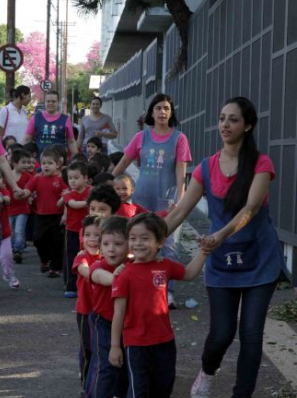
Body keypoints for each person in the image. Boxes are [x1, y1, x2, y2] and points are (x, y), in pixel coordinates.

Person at [164, 96, 285, 398]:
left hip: (260, 260)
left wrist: (220, 234)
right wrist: (147, 238)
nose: (225, 125)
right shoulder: (206, 167)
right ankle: (207, 373)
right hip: (222, 264)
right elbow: (179, 212)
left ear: (248, 126)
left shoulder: (261, 163)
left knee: (251, 334)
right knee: (221, 334)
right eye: (221, 118)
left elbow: (252, 208)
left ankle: (241, 394)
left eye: (233, 119)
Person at [109, 213, 208, 397]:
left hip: (164, 342)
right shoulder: (123, 275)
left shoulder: (165, 266)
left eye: (145, 238)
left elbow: (188, 273)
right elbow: (118, 313)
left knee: (163, 386)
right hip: (136, 344)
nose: (138, 243)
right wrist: (115, 346)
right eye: (133, 238)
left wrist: (204, 252)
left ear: (160, 242)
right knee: (139, 390)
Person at [112, 93, 192, 308]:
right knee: (139, 244)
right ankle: (138, 286)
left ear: (171, 112)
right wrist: (108, 183)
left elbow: (180, 171)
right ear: (151, 112)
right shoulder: (141, 137)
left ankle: (168, 293)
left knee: (169, 247)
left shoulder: (179, 138)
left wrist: (180, 200)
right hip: (142, 199)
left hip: (169, 202)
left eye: (166, 108)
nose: (162, 112)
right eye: (158, 108)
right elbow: (124, 161)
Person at [85, 216, 129, 398]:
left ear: (130, 245)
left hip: (128, 324)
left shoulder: (134, 266)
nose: (111, 249)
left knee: (125, 366)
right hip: (102, 322)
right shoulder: (98, 265)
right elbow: (99, 276)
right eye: (106, 244)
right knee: (105, 365)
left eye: (118, 244)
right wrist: (118, 278)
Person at [22, 147, 68, 277]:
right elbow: (27, 190)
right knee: (38, 239)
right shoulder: (37, 178)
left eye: (50, 163)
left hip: (57, 216)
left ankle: (55, 268)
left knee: (56, 242)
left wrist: (65, 213)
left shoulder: (60, 180)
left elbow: (67, 194)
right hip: (41, 215)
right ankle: (44, 260)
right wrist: (21, 193)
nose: (46, 166)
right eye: (44, 163)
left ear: (57, 165)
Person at [72, 214, 102, 394]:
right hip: (86, 311)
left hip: (105, 312)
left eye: (97, 235)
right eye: (87, 235)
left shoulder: (110, 257)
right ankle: (86, 384)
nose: (92, 240)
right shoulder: (81, 256)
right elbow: (84, 270)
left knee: (103, 348)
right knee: (88, 349)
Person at [57, 161, 90, 298]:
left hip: (89, 231)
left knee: (88, 256)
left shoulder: (91, 191)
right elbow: (73, 204)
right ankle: (70, 285)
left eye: (76, 178)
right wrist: (89, 202)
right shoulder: (68, 194)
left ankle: (88, 283)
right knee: (70, 256)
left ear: (85, 178)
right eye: (70, 178)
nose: (73, 181)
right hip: (71, 230)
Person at [22, 91, 78, 158]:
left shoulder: (65, 119)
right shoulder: (35, 118)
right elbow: (27, 139)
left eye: (53, 101)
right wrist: (18, 152)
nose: (50, 103)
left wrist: (76, 158)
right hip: (40, 160)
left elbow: (71, 142)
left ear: (58, 102)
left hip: (59, 161)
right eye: (48, 101)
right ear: (44, 102)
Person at [7, 148, 32, 264]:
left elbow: (31, 190)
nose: (27, 165)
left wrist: (29, 195)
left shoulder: (28, 177)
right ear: (14, 163)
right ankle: (13, 249)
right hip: (9, 208)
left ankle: (18, 250)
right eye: (24, 162)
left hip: (23, 208)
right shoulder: (8, 176)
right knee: (10, 231)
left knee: (19, 230)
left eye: (28, 162)